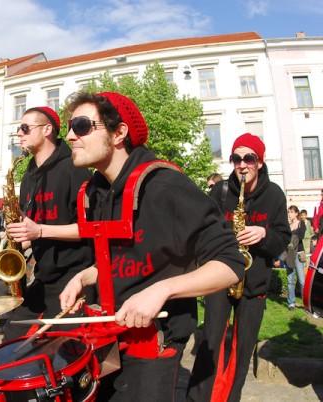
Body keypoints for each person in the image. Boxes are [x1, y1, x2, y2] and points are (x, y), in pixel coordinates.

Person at [58, 91, 245, 402]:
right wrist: (85, 276)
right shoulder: (97, 190)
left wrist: (162, 290)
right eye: (69, 127)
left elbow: (230, 264)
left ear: (119, 133)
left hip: (153, 341)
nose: (70, 136)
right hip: (106, 335)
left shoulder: (166, 186)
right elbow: (128, 256)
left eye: (81, 126)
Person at [188, 133, 291, 402]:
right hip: (220, 280)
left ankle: (229, 398)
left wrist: (263, 235)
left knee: (242, 349)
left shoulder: (275, 195)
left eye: (249, 158)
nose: (242, 165)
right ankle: (199, 398)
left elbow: (283, 238)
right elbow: (202, 230)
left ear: (260, 161)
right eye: (236, 158)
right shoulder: (219, 191)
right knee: (211, 342)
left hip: (253, 283)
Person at [3, 105, 94, 340]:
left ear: (47, 130)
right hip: (43, 277)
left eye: (25, 128)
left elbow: (91, 229)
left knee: (65, 351)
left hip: (75, 276)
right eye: (18, 128)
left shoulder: (75, 168)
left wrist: (39, 230)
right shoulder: (28, 175)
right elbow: (31, 228)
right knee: (11, 340)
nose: (19, 133)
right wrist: (17, 239)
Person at [286, 205, 306, 310]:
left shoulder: (301, 224)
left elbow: (301, 235)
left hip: (298, 254)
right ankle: (291, 303)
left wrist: (291, 236)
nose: (289, 214)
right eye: (289, 212)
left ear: (296, 213)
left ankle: (306, 303)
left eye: (292, 212)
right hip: (289, 255)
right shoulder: (287, 225)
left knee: (302, 281)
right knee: (290, 280)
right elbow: (284, 238)